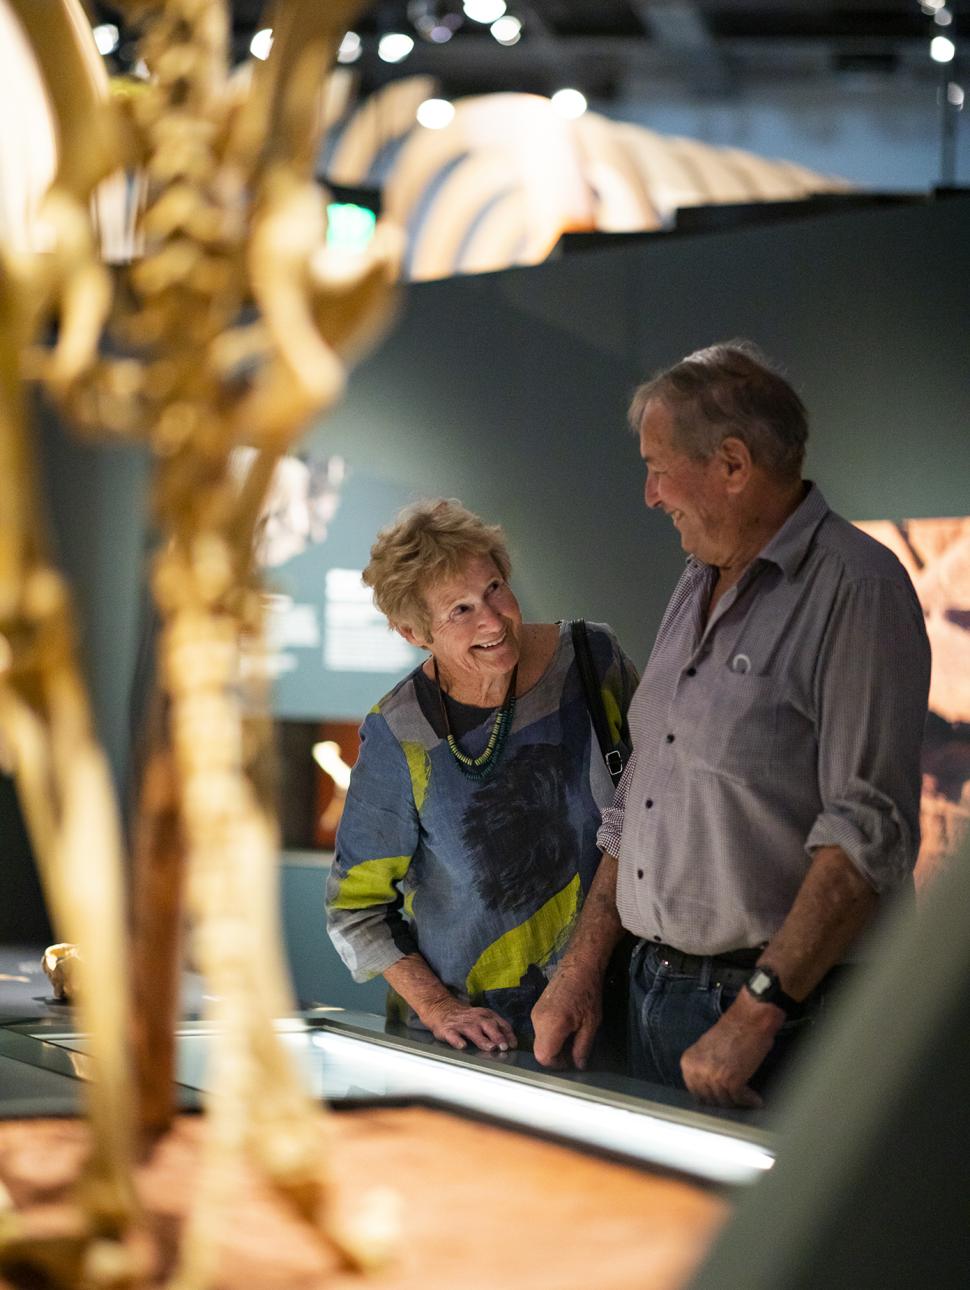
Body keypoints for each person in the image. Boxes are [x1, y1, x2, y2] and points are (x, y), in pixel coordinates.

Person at [532, 341, 931, 1107]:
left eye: (658, 466)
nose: (649, 494)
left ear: (734, 465)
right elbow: (643, 796)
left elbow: (865, 834)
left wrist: (756, 1013)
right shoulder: (699, 575)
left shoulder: (859, 589)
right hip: (653, 993)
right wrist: (583, 967)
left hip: (780, 1021)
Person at [325, 499, 639, 1054]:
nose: (492, 620)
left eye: (494, 588)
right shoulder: (400, 732)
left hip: (616, 1015)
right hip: (478, 1044)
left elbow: (653, 807)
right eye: (460, 610)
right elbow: (355, 910)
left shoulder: (593, 661)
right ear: (412, 632)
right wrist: (440, 1009)